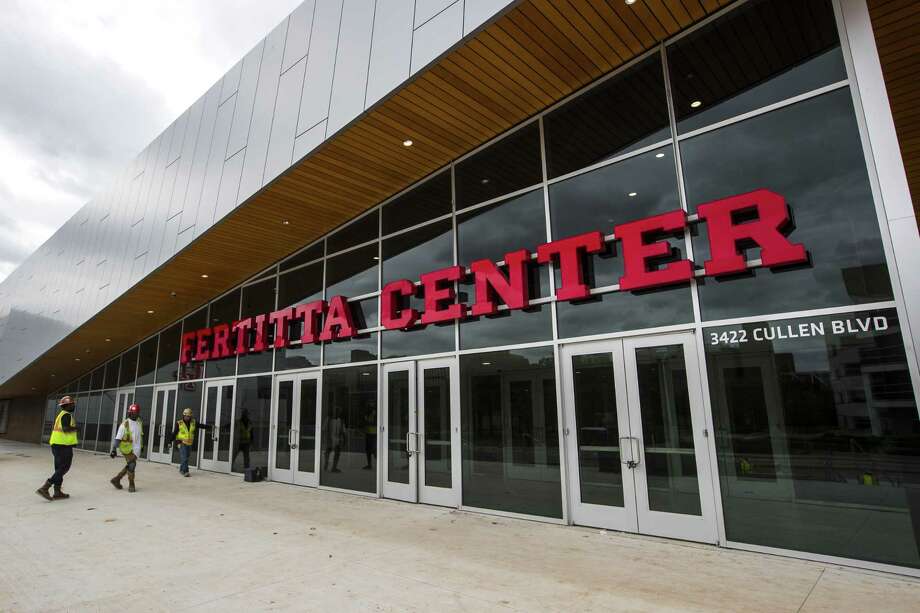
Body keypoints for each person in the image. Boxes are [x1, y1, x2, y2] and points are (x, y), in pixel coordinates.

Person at [37, 396, 79, 501]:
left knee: (59, 469)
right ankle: (45, 487)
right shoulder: (66, 415)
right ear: (67, 406)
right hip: (63, 445)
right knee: (64, 468)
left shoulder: (61, 415)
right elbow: (65, 429)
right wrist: (76, 428)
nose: (74, 406)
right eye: (72, 404)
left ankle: (57, 492)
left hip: (57, 444)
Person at [109, 403, 143, 492]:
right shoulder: (124, 425)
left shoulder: (139, 422)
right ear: (129, 413)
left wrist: (142, 446)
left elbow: (140, 435)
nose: (134, 414)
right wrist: (113, 450)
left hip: (136, 449)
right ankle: (131, 484)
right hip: (127, 449)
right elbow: (117, 438)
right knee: (132, 465)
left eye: (136, 413)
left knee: (129, 464)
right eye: (132, 413)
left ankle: (116, 479)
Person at [167, 408, 210, 477]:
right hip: (181, 443)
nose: (188, 417)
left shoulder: (193, 422)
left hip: (189, 443)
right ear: (183, 416)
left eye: (189, 416)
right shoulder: (179, 423)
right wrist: (169, 442)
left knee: (186, 457)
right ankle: (185, 471)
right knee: (184, 458)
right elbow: (174, 433)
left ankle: (181, 469)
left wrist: (210, 427)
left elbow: (201, 426)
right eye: (186, 416)